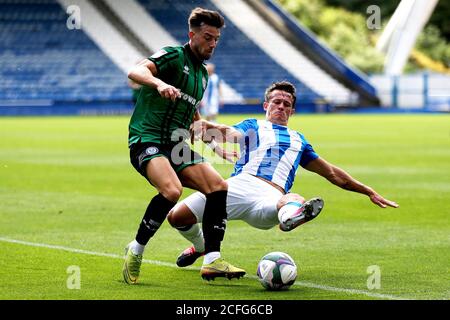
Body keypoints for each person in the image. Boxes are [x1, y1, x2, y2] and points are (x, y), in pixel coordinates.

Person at [167, 81, 399, 268]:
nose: (281, 107)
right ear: (265, 106)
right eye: (276, 102)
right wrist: (205, 124)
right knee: (176, 217)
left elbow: (332, 173)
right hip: (237, 187)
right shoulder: (254, 125)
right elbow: (230, 133)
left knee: (293, 199)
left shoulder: (299, 140)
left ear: (292, 110)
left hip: (270, 197)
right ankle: (201, 247)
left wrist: (367, 191)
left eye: (286, 104)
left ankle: (292, 216)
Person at [123, 7, 245, 284]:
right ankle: (136, 248)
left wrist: (213, 144)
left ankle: (213, 260)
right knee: (171, 190)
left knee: (219, 187)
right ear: (192, 34)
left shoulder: (202, 75)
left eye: (216, 39)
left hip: (176, 145)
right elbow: (135, 70)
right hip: (147, 139)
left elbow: (193, 115)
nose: (212, 43)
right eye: (207, 37)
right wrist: (157, 83)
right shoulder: (173, 56)